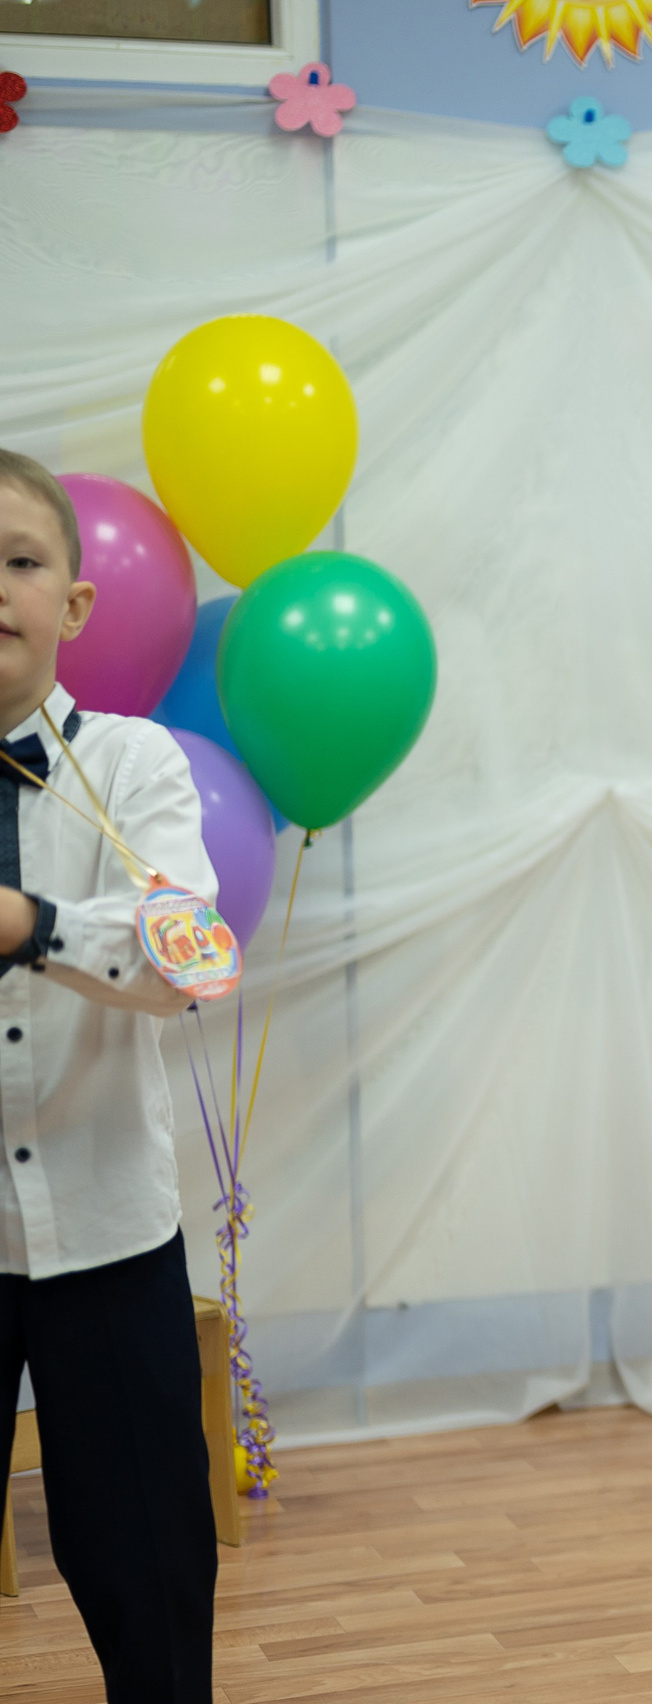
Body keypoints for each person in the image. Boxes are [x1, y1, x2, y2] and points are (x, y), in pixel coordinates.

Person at [0, 449, 225, 1704]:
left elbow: (186, 961)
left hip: (111, 1235)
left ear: (73, 604)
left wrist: (33, 924)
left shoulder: (139, 767)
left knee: (151, 1582)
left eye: (21, 561)